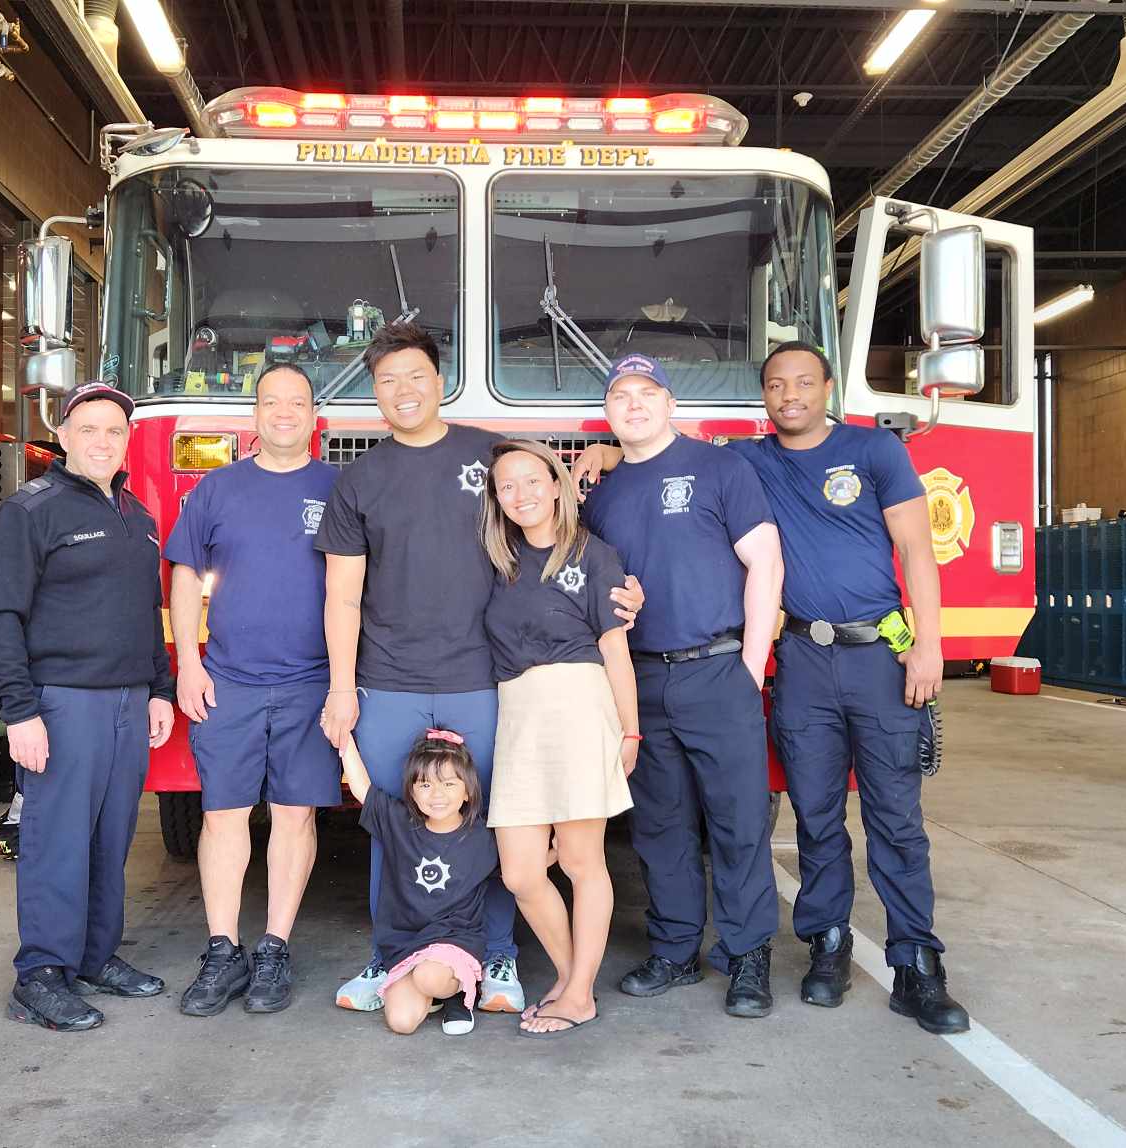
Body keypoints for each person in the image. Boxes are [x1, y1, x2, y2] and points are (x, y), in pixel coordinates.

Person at [573, 342, 970, 1033]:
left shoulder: (872, 452)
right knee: (809, 817)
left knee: (892, 821)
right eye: (776, 385)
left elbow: (914, 550)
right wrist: (604, 456)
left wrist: (928, 645)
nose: (790, 395)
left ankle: (914, 966)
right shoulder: (745, 458)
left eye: (804, 382)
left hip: (875, 651)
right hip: (797, 658)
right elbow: (663, 450)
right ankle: (826, 947)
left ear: (827, 387)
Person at [314, 321, 644, 1014]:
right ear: (375, 393)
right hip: (388, 681)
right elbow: (342, 591)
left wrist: (609, 453)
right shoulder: (360, 478)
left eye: (415, 376)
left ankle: (495, 957)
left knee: (491, 825)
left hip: (483, 682)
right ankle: (390, 958)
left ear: (440, 380)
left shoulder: (484, 457)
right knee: (394, 821)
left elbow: (549, 484)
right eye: (387, 381)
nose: (403, 391)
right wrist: (343, 687)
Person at [578, 353, 785, 1019]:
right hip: (640, 681)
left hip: (717, 669)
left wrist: (750, 667)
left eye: (646, 393)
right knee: (660, 827)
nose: (633, 405)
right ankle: (673, 951)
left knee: (738, 823)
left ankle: (748, 957)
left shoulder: (723, 468)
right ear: (608, 413)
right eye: (620, 396)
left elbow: (766, 562)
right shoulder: (603, 498)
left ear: (670, 404)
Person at [0, 380, 177, 1032]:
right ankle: (40, 974)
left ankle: (94, 957)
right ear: (62, 438)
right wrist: (20, 711)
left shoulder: (137, 517)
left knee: (109, 840)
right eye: (88, 429)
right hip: (61, 705)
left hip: (126, 703)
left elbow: (144, 616)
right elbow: (1, 617)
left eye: (114, 431)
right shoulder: (31, 511)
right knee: (55, 844)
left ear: (128, 442)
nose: (102, 441)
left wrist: (159, 689)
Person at [165, 365, 340, 1017]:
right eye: (272, 402)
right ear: (255, 414)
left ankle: (272, 948)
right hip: (229, 679)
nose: (285, 412)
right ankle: (221, 948)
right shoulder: (217, 489)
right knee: (222, 815)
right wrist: (190, 663)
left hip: (311, 681)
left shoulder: (338, 488)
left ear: (313, 416)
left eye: (297, 402)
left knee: (296, 813)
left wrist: (347, 683)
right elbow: (186, 577)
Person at [479, 440, 638, 1037]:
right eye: (505, 486)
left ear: (556, 484)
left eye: (530, 481)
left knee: (579, 859)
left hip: (578, 702)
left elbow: (613, 648)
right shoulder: (499, 558)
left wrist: (630, 729)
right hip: (517, 712)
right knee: (520, 871)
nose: (519, 495)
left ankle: (577, 992)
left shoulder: (595, 555)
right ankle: (575, 980)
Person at [338, 730, 498, 1037]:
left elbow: (523, 866)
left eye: (449, 783)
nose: (437, 794)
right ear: (411, 791)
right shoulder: (400, 824)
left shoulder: (481, 836)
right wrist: (344, 738)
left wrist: (560, 850)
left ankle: (457, 994)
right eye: (425, 784)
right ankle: (437, 993)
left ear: (467, 792)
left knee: (429, 977)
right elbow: (362, 788)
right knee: (401, 1022)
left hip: (455, 940)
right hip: (406, 945)